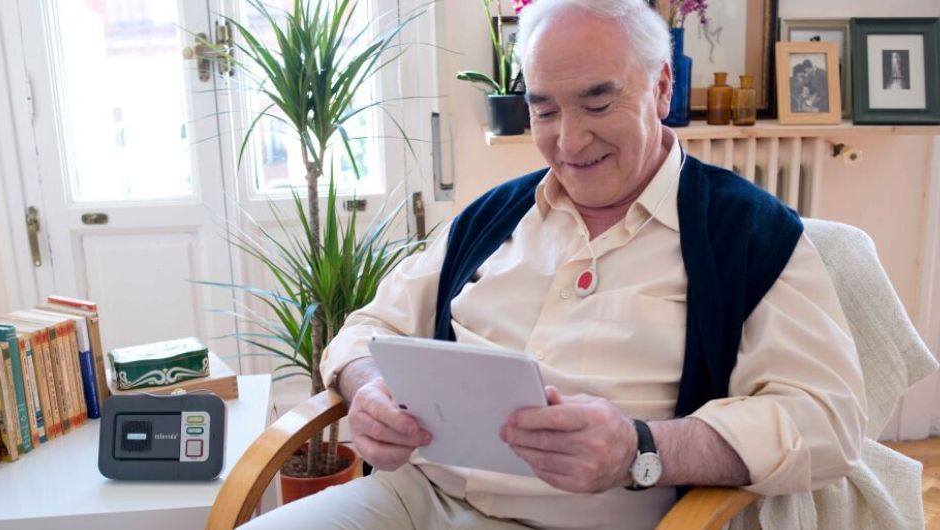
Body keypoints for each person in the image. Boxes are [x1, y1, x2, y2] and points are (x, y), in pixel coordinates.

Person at [242, 0, 866, 528]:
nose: (568, 141)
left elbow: (828, 419)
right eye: (544, 110)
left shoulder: (748, 235)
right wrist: (369, 389)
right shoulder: (492, 217)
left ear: (661, 87)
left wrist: (641, 449)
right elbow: (367, 329)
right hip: (417, 501)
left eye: (597, 105)